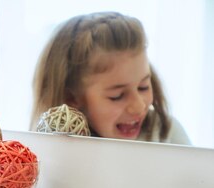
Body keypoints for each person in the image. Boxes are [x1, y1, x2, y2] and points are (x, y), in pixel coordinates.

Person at [30, 11, 191, 145]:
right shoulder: (59, 151)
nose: (139, 106)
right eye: (117, 96)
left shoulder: (168, 133)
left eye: (143, 87)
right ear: (71, 97)